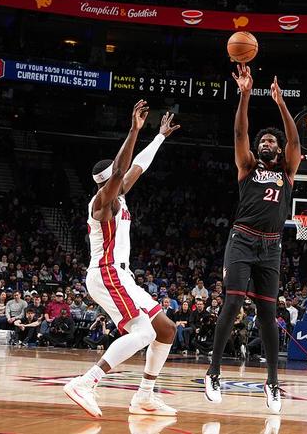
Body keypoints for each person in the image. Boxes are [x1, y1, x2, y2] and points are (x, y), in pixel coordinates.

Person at [63, 101, 180, 418]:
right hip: (106, 273)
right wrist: (133, 130)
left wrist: (159, 137)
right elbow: (119, 171)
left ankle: (144, 397)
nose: (123, 179)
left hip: (122, 276)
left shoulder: (120, 193)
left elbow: (138, 166)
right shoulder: (102, 203)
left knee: (165, 329)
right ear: (107, 184)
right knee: (143, 333)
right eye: (116, 179)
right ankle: (85, 383)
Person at [205, 64, 301, 414]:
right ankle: (214, 371)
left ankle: (272, 381)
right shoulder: (247, 166)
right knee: (232, 303)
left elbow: (295, 141)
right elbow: (239, 132)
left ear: (279, 149)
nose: (265, 143)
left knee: (267, 313)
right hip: (243, 239)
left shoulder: (287, 171)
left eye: (271, 141)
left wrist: (281, 103)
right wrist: (245, 95)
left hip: (272, 246)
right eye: (263, 141)